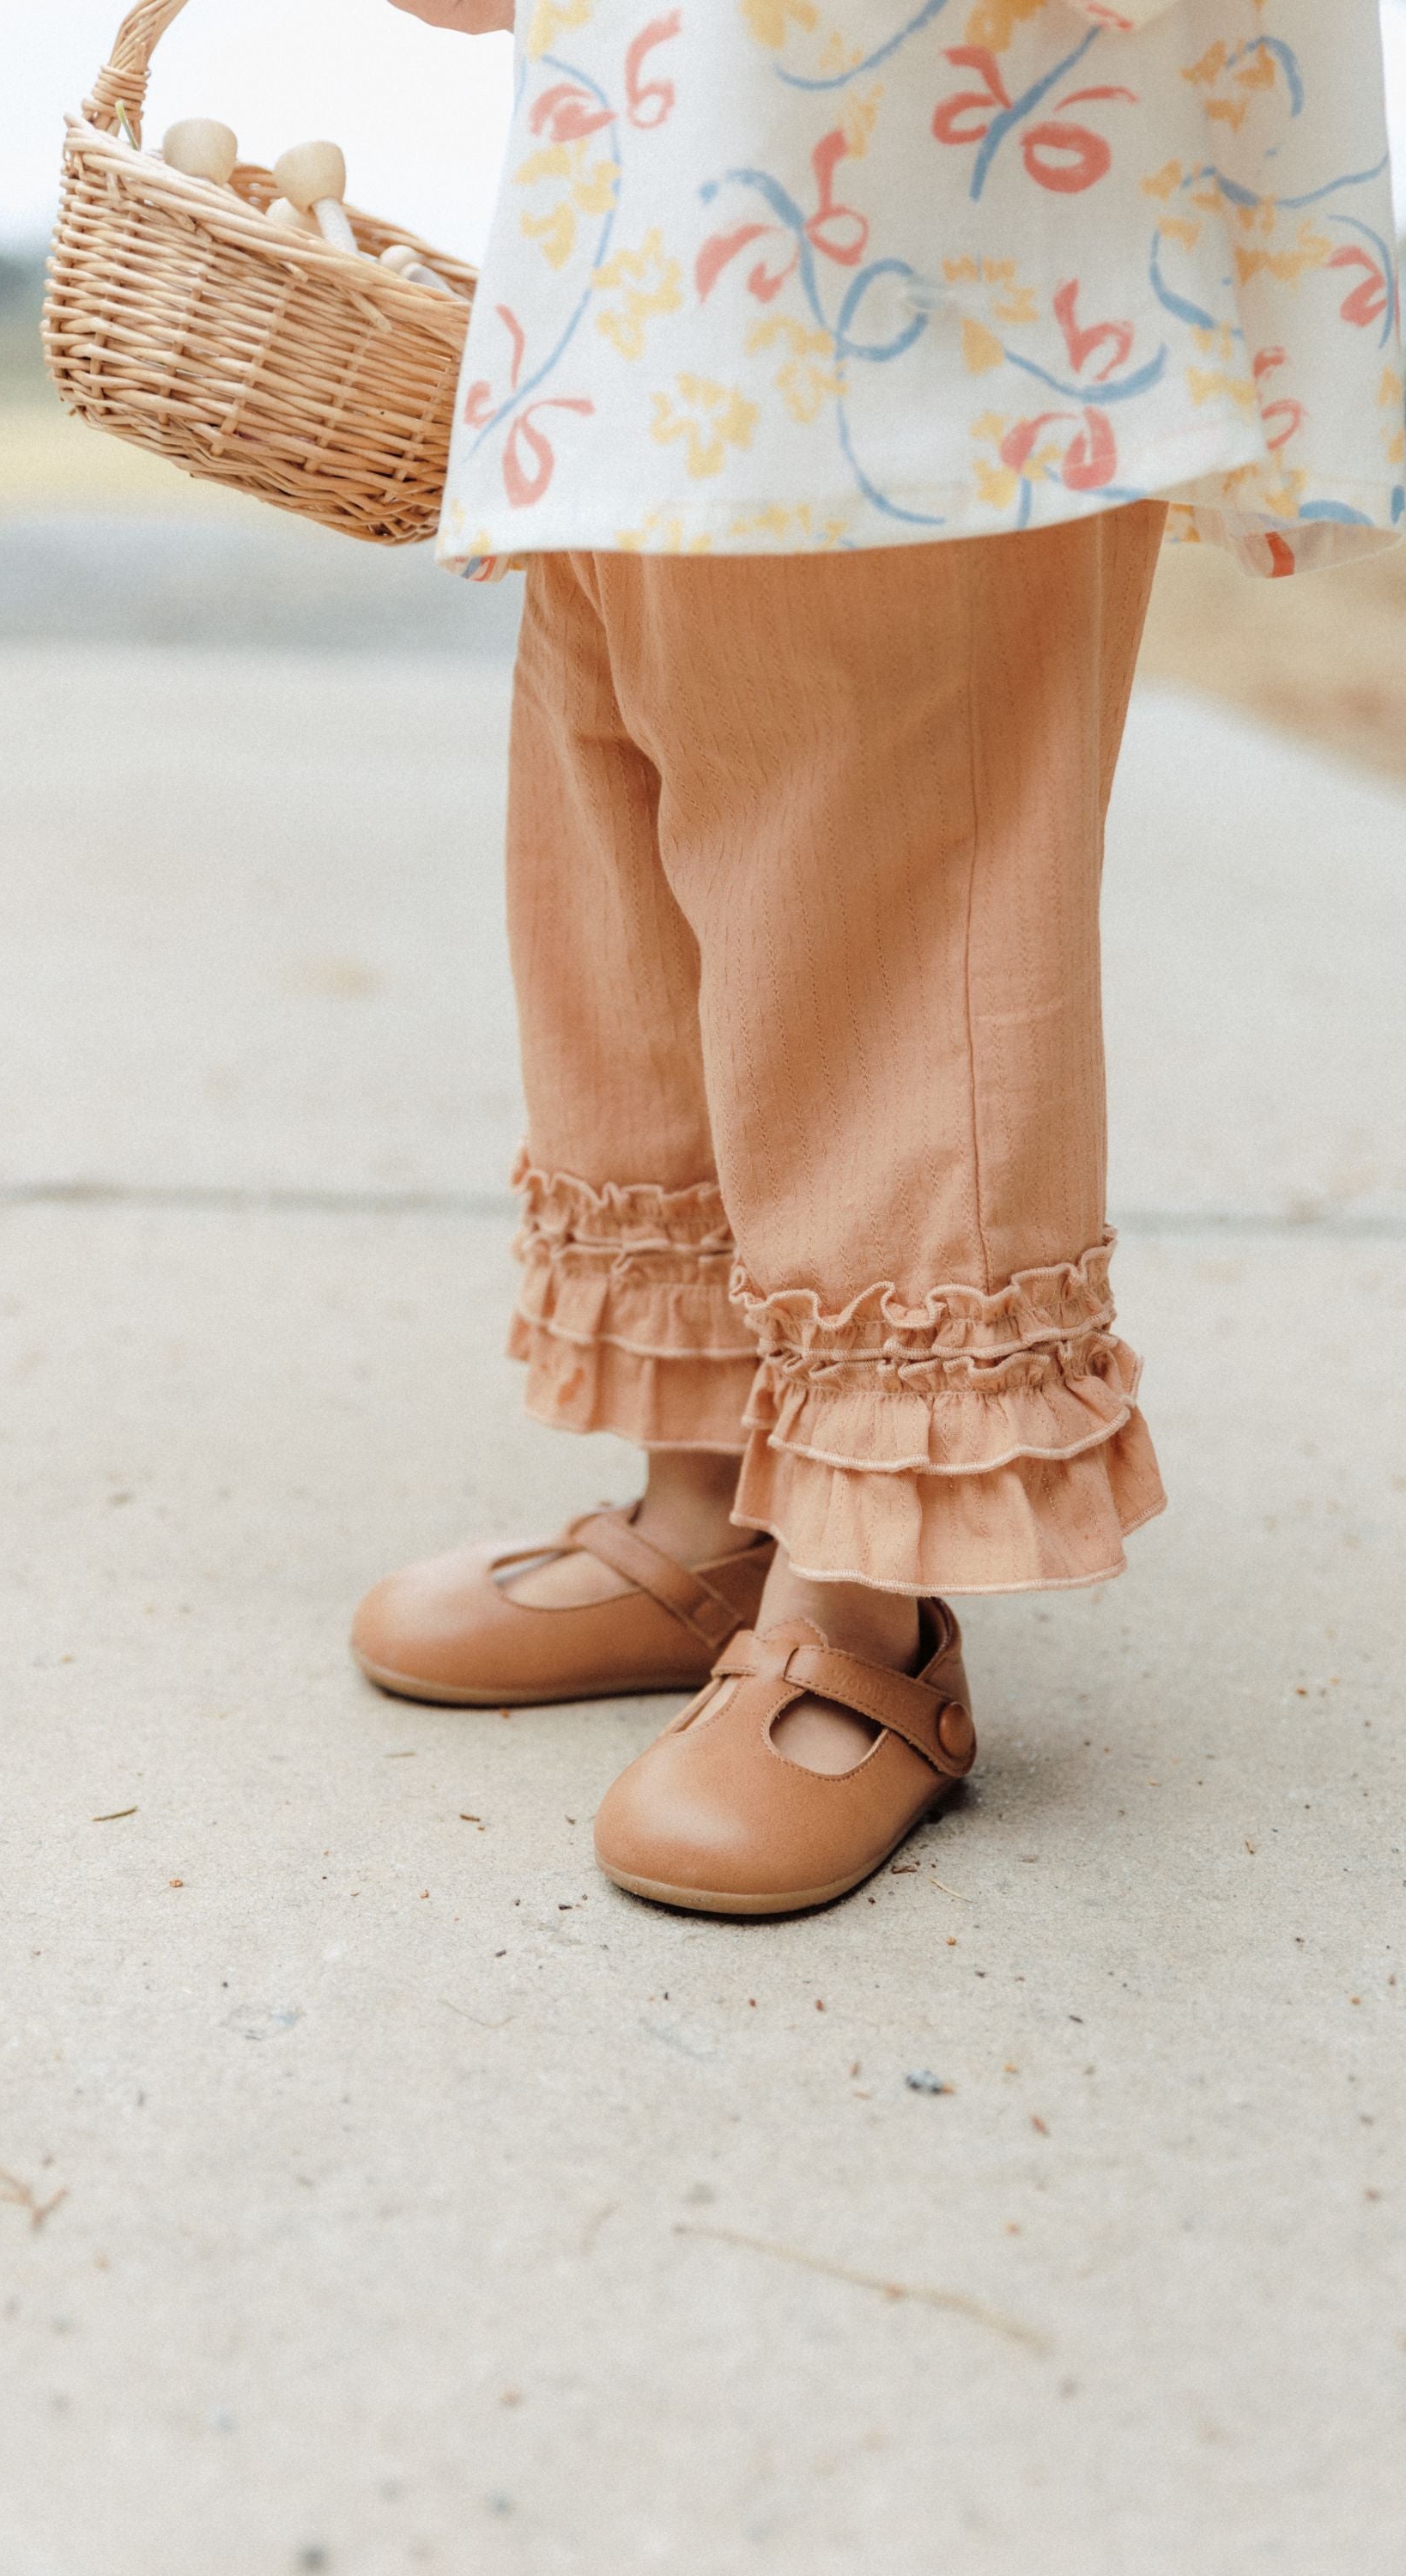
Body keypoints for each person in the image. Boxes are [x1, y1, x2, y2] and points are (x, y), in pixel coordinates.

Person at [354, 0, 1403, 1916]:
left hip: (944, 149)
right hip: (665, 150)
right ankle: (708, 1515)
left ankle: (864, 1606)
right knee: (634, 783)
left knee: (889, 833)